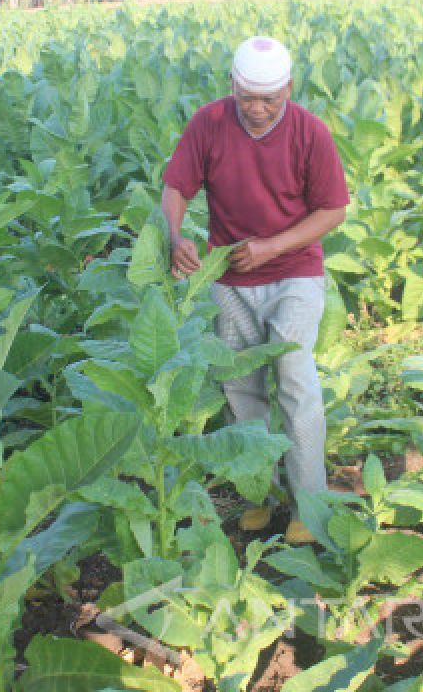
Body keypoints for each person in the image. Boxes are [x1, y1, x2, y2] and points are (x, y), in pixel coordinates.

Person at [160, 36, 350, 544]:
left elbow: (333, 211)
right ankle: (256, 495)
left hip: (295, 273)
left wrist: (272, 247)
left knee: (295, 379)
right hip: (230, 275)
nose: (260, 109)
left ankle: (309, 505)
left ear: (289, 88)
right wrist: (177, 237)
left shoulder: (310, 132)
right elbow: (177, 186)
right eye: (249, 97)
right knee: (238, 385)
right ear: (233, 86)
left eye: (271, 98)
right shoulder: (210, 123)